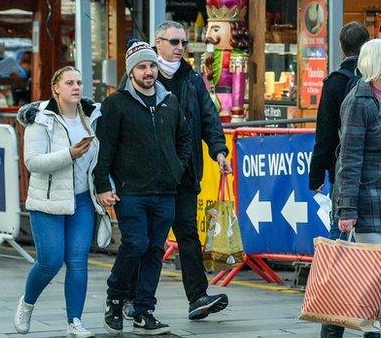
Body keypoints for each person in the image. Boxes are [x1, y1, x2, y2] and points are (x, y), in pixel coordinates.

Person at [117, 23, 230, 321]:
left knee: (188, 234)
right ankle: (130, 297)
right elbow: (119, 122)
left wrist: (219, 151)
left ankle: (197, 298)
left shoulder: (192, 79)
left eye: (185, 42)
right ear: (159, 43)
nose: (181, 47)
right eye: (175, 41)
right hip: (146, 177)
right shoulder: (138, 76)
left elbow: (209, 118)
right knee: (144, 240)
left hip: (183, 173)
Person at [94, 41, 192, 335]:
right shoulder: (116, 104)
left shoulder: (169, 101)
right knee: (135, 243)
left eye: (151, 66)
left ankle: (143, 311)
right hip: (131, 191)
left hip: (165, 190)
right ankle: (115, 298)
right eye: (142, 67)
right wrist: (102, 184)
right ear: (131, 72)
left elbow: (184, 139)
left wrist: (176, 168)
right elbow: (105, 150)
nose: (148, 72)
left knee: (154, 250)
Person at [328, 38, 381, 338]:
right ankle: (365, 331)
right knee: (373, 272)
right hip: (366, 197)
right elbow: (348, 159)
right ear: (377, 62)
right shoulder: (358, 102)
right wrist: (346, 208)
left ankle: (367, 329)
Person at [14, 66, 102, 337]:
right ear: (56, 88)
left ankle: (74, 322)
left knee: (78, 261)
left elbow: (98, 159)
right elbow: (33, 163)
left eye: (79, 82)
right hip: (48, 201)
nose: (76, 87)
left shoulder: (92, 116)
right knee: (50, 262)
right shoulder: (40, 119)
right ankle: (27, 303)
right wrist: (70, 154)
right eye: (69, 83)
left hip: (82, 201)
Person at [308, 22, 371, 238]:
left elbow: (324, 134)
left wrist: (316, 176)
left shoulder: (334, 83)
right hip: (374, 171)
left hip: (341, 169)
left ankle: (338, 272)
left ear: (342, 48)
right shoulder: (376, 81)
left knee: (340, 237)